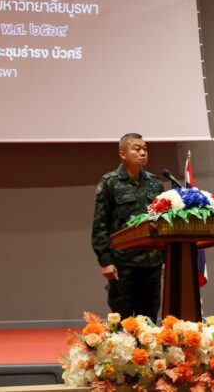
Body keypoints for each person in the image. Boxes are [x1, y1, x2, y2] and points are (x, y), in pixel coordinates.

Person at [91, 133, 165, 320]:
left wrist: (164, 258)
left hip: (151, 263)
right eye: (137, 149)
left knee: (148, 319)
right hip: (123, 264)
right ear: (123, 154)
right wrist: (105, 261)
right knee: (122, 320)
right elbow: (100, 224)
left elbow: (161, 223)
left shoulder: (155, 183)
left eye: (145, 149)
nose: (143, 153)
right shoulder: (110, 182)